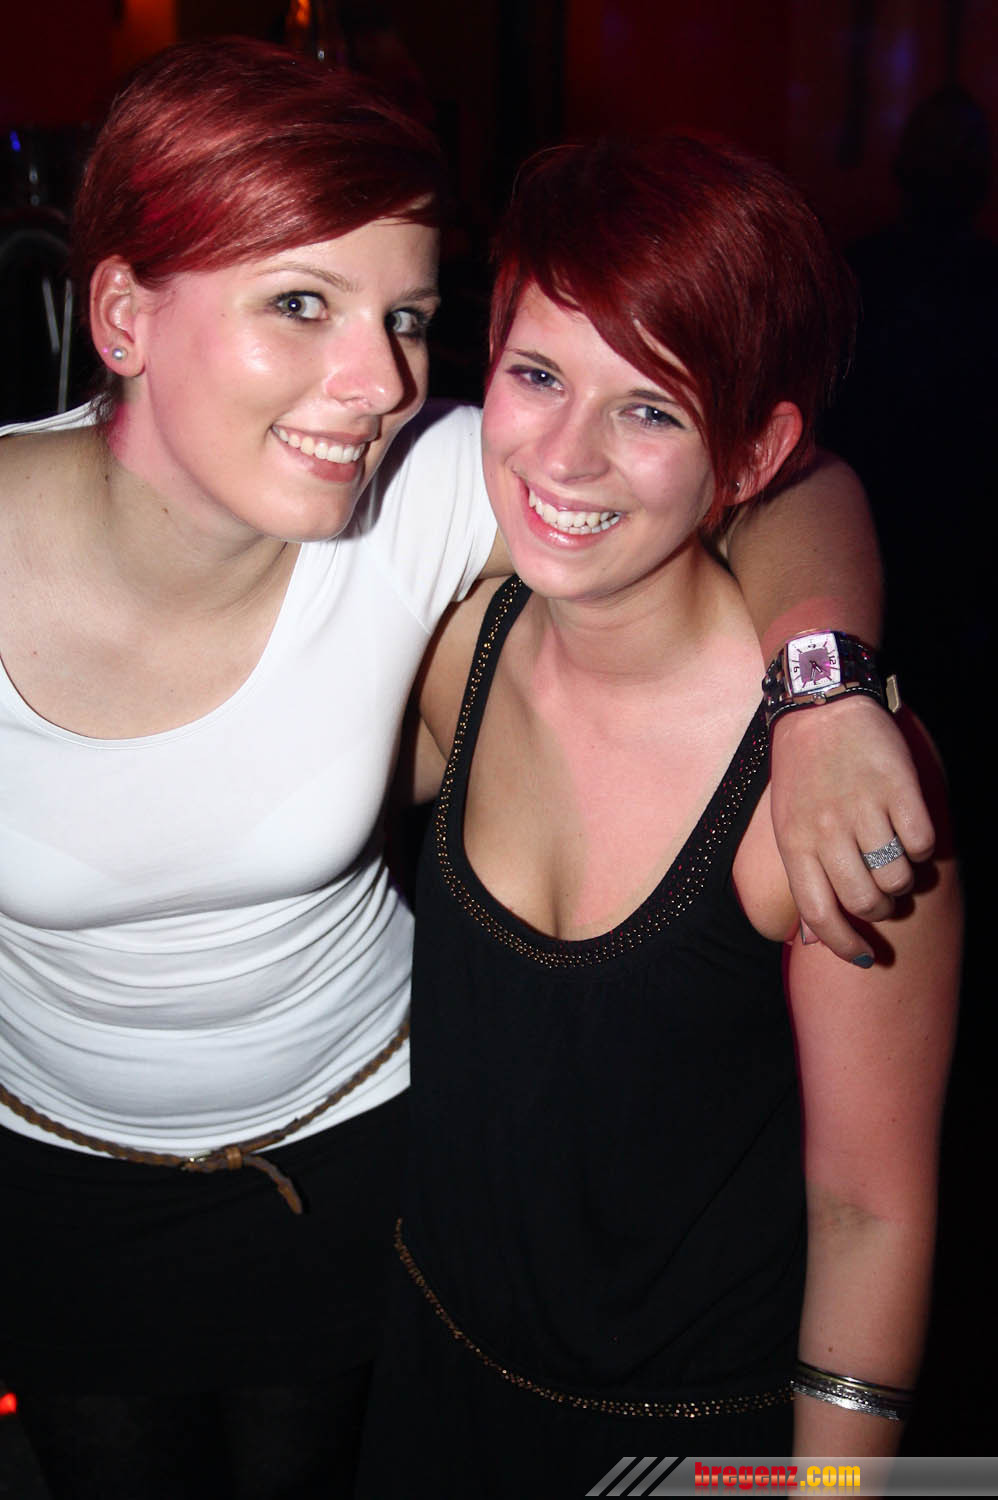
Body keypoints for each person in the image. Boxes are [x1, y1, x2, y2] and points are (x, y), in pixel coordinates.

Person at [0, 38, 932, 1500]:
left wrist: (823, 690)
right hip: (62, 1178)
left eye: (409, 317)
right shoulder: (413, 503)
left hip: (358, 1167)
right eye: (299, 302)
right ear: (120, 313)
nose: (375, 381)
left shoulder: (425, 487)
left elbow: (787, 477)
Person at [356, 136, 962, 1495]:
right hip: (429, 1379)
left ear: (753, 454)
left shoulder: (836, 788)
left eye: (650, 411)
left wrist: (833, 1494)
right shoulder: (454, 648)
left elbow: (868, 1214)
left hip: (685, 1450)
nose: (564, 458)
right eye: (536, 375)